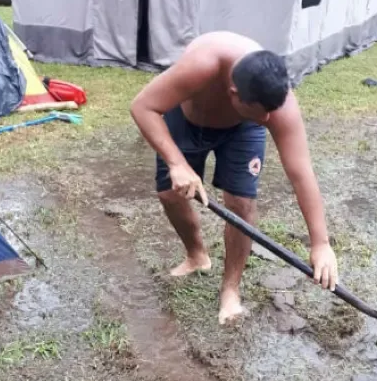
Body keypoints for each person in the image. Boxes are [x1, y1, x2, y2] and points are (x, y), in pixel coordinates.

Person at [130, 31, 339, 325]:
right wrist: (176, 164)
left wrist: (320, 243)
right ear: (233, 94)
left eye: (271, 113)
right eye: (261, 114)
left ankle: (231, 290)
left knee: (241, 203)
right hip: (187, 119)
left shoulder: (273, 104)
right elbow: (142, 106)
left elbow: (301, 173)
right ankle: (196, 255)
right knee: (169, 194)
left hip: (242, 128)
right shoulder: (201, 65)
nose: (268, 122)